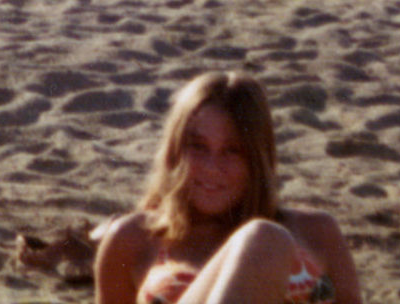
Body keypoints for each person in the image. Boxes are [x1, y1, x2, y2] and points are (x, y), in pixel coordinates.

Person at [93, 71, 361, 304]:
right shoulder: (133, 238)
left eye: (232, 151)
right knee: (264, 237)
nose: (212, 166)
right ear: (175, 152)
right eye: (198, 146)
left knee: (265, 239)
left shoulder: (318, 232)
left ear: (256, 160)